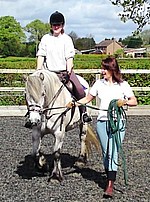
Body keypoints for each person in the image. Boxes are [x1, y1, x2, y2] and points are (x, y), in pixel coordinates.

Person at [66, 57, 137, 198]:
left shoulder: (123, 85)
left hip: (118, 122)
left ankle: (110, 184)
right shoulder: (98, 84)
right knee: (106, 153)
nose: (102, 71)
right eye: (102, 68)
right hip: (102, 122)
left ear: (112, 69)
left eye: (105, 68)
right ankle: (110, 172)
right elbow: (87, 99)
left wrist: (124, 102)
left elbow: (134, 101)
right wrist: (74, 104)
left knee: (113, 152)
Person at [24, 11, 91, 128]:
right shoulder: (45, 38)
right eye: (54, 25)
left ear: (62, 25)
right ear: (50, 25)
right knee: (31, 90)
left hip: (64, 72)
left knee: (80, 89)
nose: (56, 27)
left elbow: (69, 57)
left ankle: (83, 113)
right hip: (48, 74)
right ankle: (30, 115)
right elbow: (41, 55)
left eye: (58, 24)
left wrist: (68, 71)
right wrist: (38, 71)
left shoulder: (67, 39)